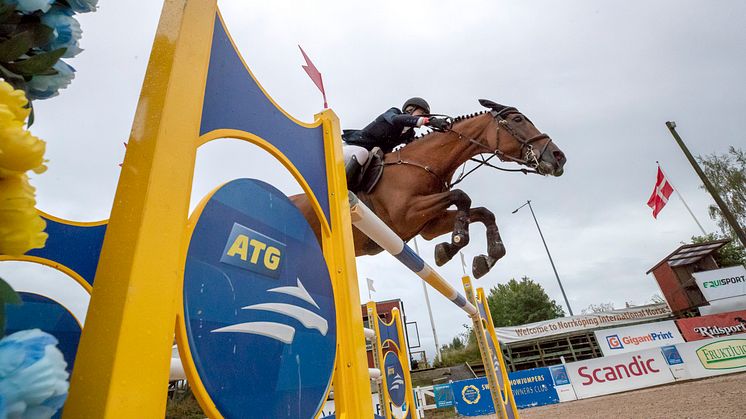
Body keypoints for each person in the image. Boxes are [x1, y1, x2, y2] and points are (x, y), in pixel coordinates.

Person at [342, 97, 451, 188]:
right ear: (410, 109)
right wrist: (427, 121)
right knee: (362, 153)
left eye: (425, 115)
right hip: (350, 148)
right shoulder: (393, 112)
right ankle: (343, 189)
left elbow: (413, 150)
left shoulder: (409, 134)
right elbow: (396, 120)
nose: (423, 116)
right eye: (422, 113)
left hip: (371, 159)